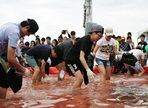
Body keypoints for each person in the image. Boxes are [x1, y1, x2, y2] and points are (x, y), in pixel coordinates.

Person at [0, 18, 39, 99]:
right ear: (27, 27)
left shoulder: (11, 25)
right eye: (29, 33)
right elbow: (10, 58)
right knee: (4, 82)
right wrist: (24, 70)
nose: (28, 35)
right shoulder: (15, 32)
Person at [65, 23, 104, 89]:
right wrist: (88, 70)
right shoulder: (86, 40)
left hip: (77, 61)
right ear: (93, 33)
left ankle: (77, 93)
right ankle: (72, 95)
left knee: (83, 79)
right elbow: (81, 57)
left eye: (101, 37)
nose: (99, 38)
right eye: (99, 36)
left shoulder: (91, 41)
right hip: (71, 61)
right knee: (80, 79)